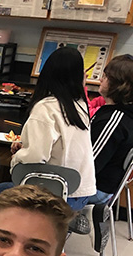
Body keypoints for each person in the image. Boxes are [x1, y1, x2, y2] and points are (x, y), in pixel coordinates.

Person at [10, 48, 96, 211]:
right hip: (82, 192)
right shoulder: (80, 106)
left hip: (57, 194)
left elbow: (35, 157)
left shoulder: (45, 108)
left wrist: (17, 156)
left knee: (1, 192)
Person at [88, 54, 133, 251]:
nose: (100, 80)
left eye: (105, 77)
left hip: (97, 189)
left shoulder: (114, 120)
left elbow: (90, 164)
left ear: (118, 85)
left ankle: (74, 215)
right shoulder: (116, 113)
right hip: (103, 185)